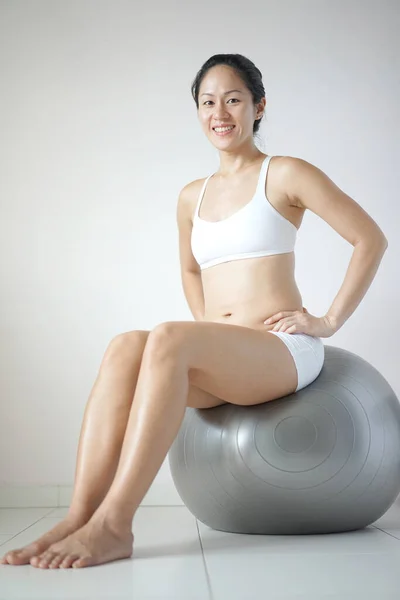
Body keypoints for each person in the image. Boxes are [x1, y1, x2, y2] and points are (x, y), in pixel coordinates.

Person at [0, 53, 388, 570]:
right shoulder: (191, 196)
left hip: (281, 352)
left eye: (233, 99)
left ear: (258, 107)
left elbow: (370, 239)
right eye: (208, 102)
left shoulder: (285, 173)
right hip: (229, 360)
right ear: (198, 111)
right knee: (125, 347)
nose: (219, 112)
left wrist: (328, 320)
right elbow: (189, 269)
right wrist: (207, 331)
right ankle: (79, 515)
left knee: (167, 336)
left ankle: (115, 525)